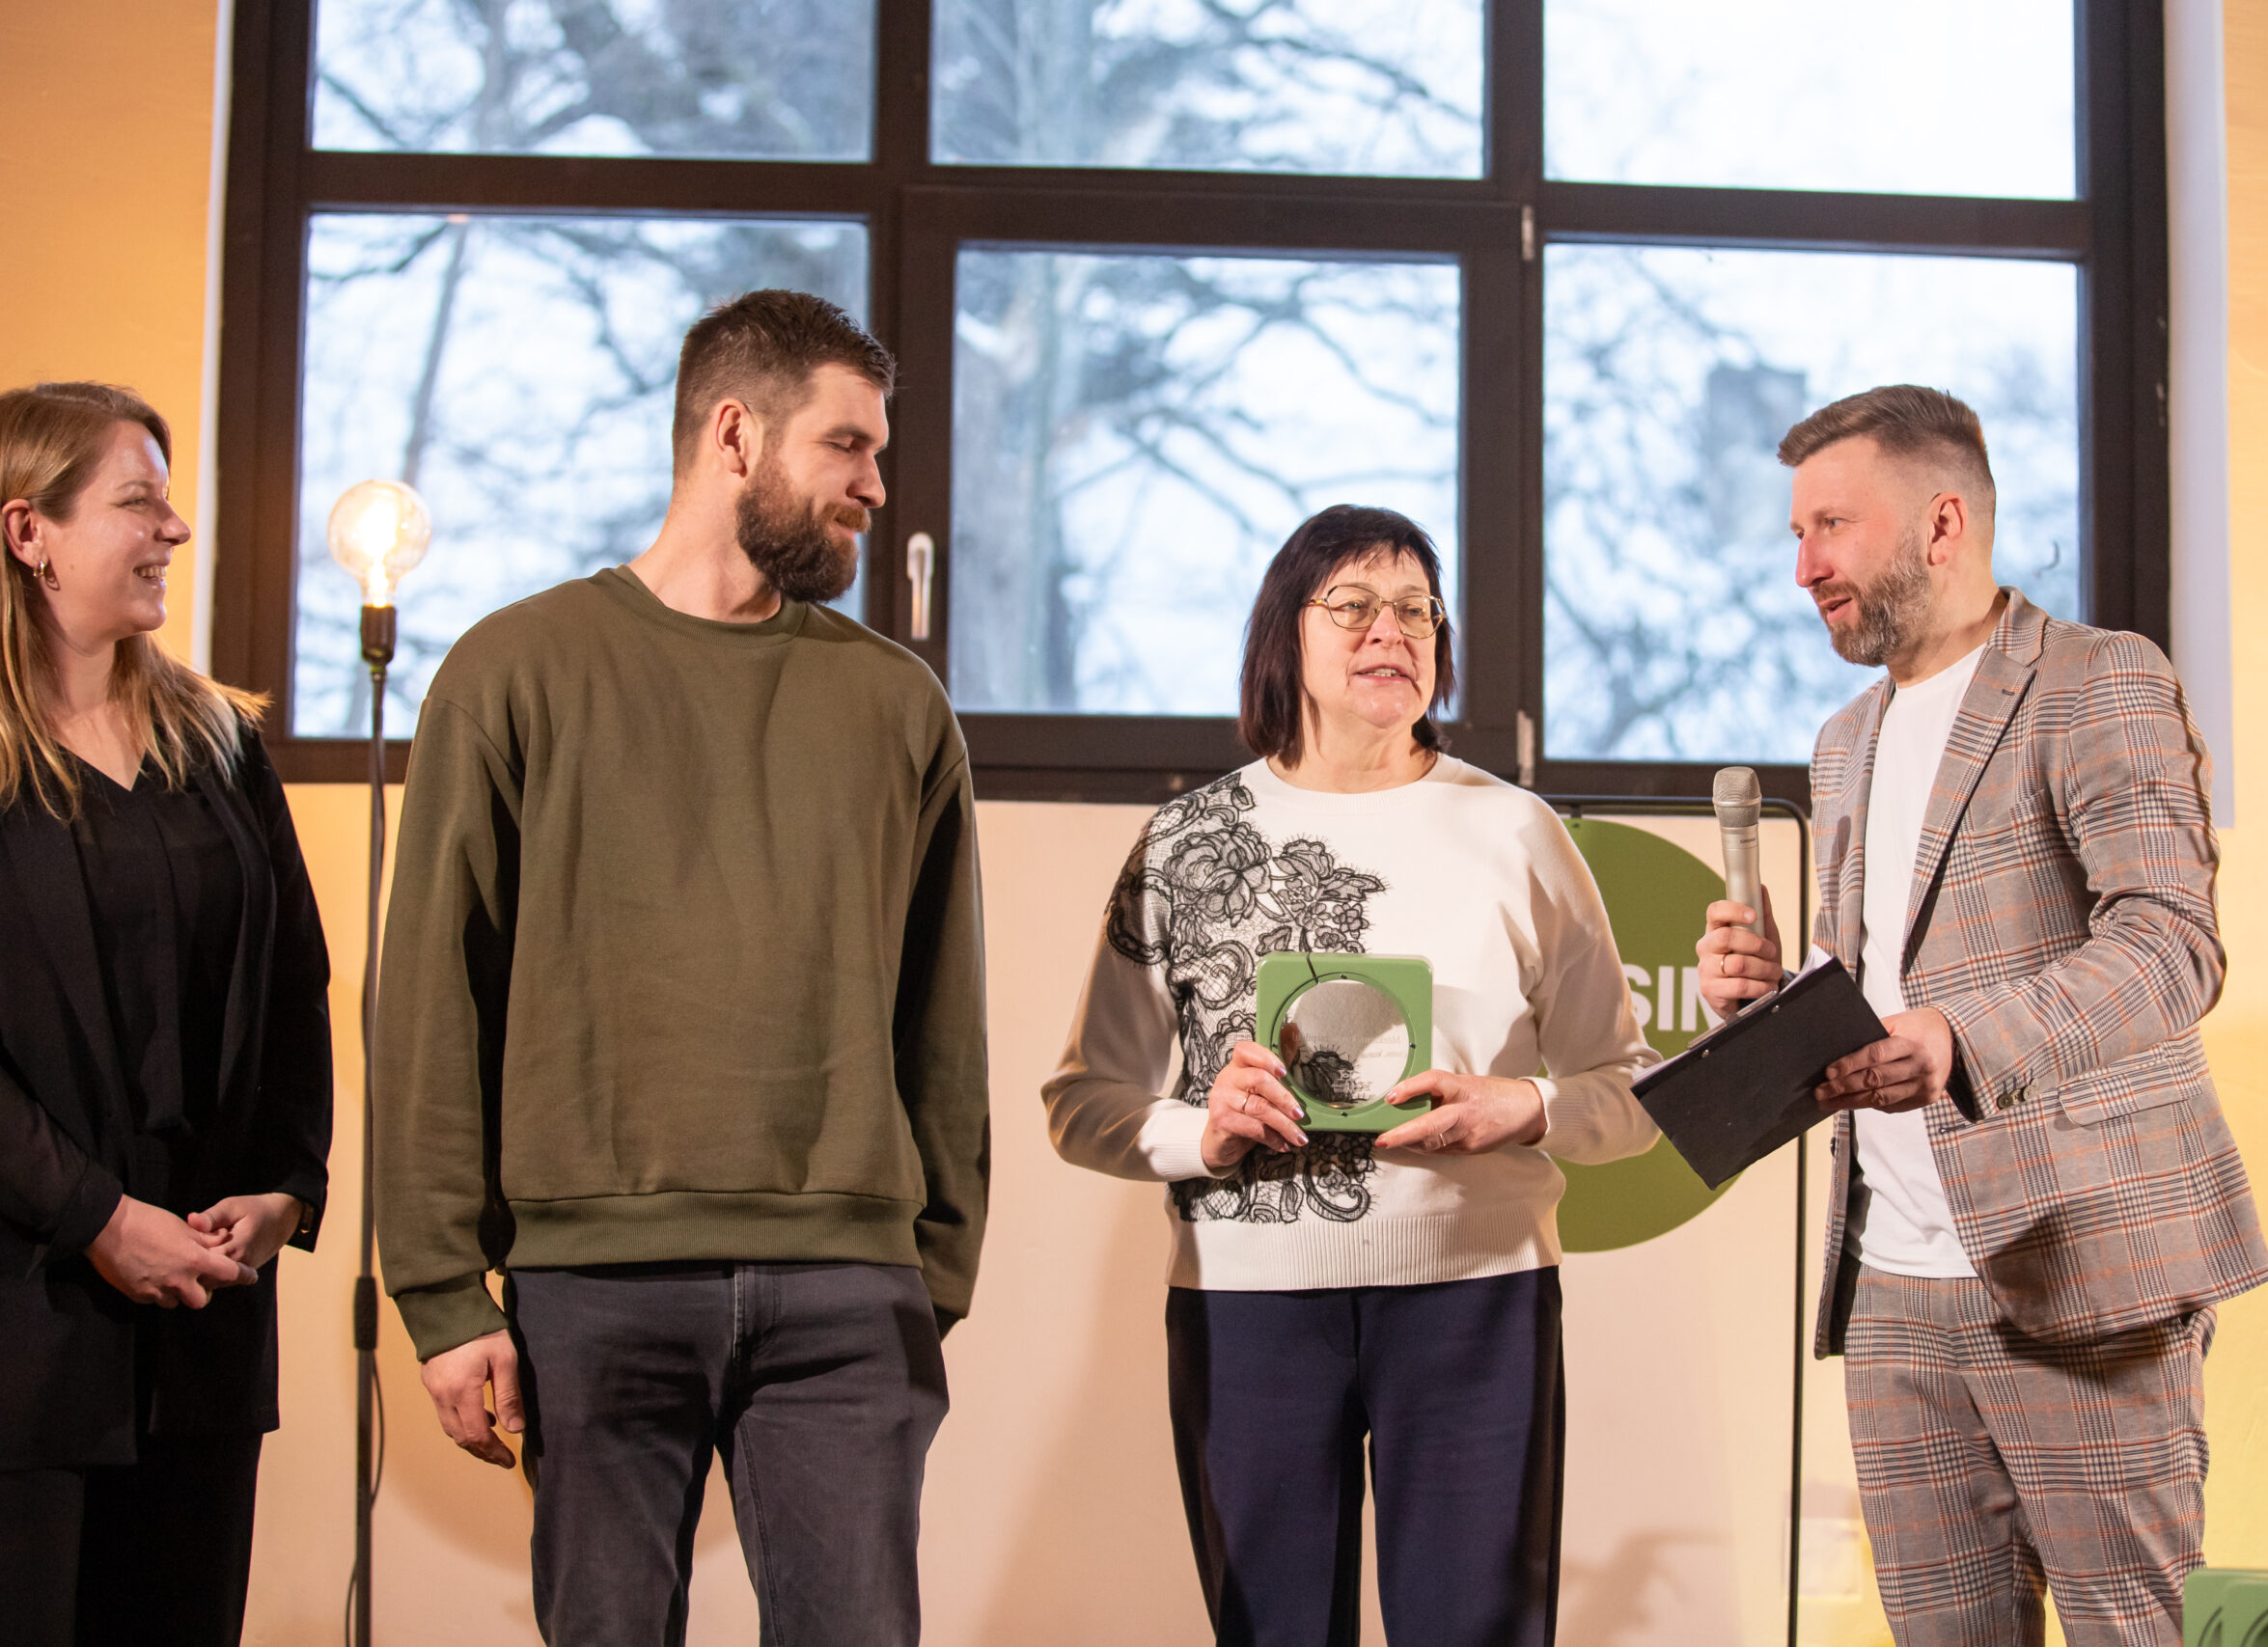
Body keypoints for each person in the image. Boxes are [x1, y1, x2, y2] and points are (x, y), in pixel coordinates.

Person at [374, 290, 989, 1646]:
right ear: (734, 432)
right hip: (592, 1282)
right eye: (847, 446)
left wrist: (931, 1269)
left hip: (848, 1287)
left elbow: (942, 1015)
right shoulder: (512, 670)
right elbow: (429, 1000)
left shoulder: (897, 705)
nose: (875, 487)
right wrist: (438, 1290)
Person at [1697, 385, 2268, 1646]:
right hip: (1892, 1285)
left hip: (2079, 1261)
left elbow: (2169, 945)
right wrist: (1774, 995)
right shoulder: (1844, 740)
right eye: (1797, 535)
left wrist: (1966, 1039)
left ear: (1942, 522)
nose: (1803, 568)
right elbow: (1887, 985)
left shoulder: (2099, 682)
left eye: (1830, 527)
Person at [1045, 504, 1658, 1647]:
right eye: (1355, 606)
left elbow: (1629, 1090)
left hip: (1478, 1301)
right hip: (1245, 1309)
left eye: (1418, 610)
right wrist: (1201, 1132)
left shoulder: (1517, 832)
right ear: (1286, 631)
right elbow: (1083, 1104)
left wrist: (1523, 1106)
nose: (1393, 632)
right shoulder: (1187, 841)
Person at [0, 381, 332, 1647]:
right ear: (29, 531)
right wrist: (94, 1215)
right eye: (139, 502)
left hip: (202, 1321)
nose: (175, 529)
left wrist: (286, 1186)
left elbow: (295, 987)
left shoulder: (219, 744)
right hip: (25, 1332)